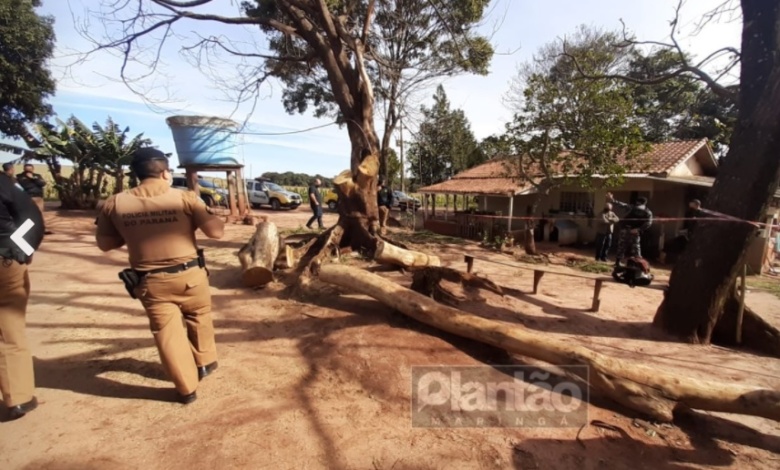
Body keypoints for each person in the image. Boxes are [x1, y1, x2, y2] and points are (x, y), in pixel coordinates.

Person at [95, 148, 224, 404]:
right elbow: (216, 232)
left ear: (137, 174)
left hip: (150, 281)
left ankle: (186, 388)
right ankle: (204, 362)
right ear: (165, 172)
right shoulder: (185, 198)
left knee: (167, 333)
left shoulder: (115, 203)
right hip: (189, 275)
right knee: (198, 316)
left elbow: (106, 244)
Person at [0, 170, 45, 420]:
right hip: (4, 261)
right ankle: (17, 397)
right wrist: (22, 248)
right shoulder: (4, 183)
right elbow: (30, 219)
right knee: (9, 329)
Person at [607, 192, 653, 267]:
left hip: (634, 231)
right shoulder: (634, 208)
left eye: (638, 203)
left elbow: (648, 223)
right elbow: (622, 205)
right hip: (626, 229)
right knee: (622, 246)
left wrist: (638, 229)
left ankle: (638, 264)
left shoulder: (647, 212)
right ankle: (618, 262)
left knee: (635, 247)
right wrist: (612, 200)